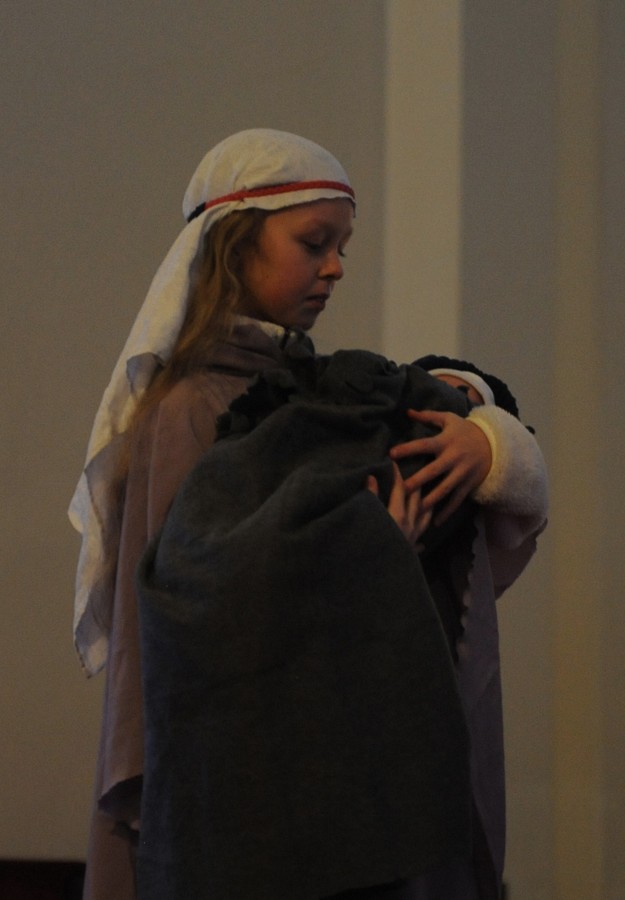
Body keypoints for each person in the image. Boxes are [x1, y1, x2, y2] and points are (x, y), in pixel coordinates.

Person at [69, 129, 547, 900]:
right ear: (233, 248)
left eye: (341, 247)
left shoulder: (308, 388)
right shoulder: (189, 408)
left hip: (331, 760)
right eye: (313, 242)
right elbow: (201, 613)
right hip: (247, 787)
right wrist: (373, 551)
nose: (334, 268)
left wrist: (488, 442)